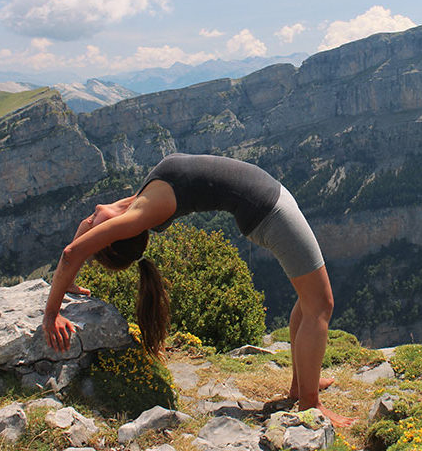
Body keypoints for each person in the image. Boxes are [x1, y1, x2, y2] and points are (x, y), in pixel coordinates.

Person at [43, 153, 353, 427]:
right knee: (320, 305)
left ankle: (301, 388)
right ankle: (310, 405)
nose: (93, 211)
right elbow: (72, 253)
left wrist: (69, 282)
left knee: (309, 298)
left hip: (271, 199)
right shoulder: (139, 214)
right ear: (113, 233)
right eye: (98, 223)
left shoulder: (132, 203)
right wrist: (51, 313)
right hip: (269, 211)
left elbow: (87, 228)